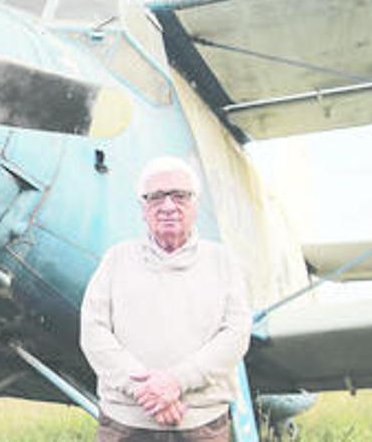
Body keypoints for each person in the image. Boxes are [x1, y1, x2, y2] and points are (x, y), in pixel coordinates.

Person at [81, 156, 251, 441]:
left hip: (201, 423)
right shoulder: (116, 259)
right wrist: (145, 391)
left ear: (195, 205)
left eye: (179, 196)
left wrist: (177, 382)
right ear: (142, 209)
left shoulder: (222, 261)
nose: (168, 206)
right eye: (156, 197)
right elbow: (93, 331)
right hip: (125, 424)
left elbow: (236, 334)